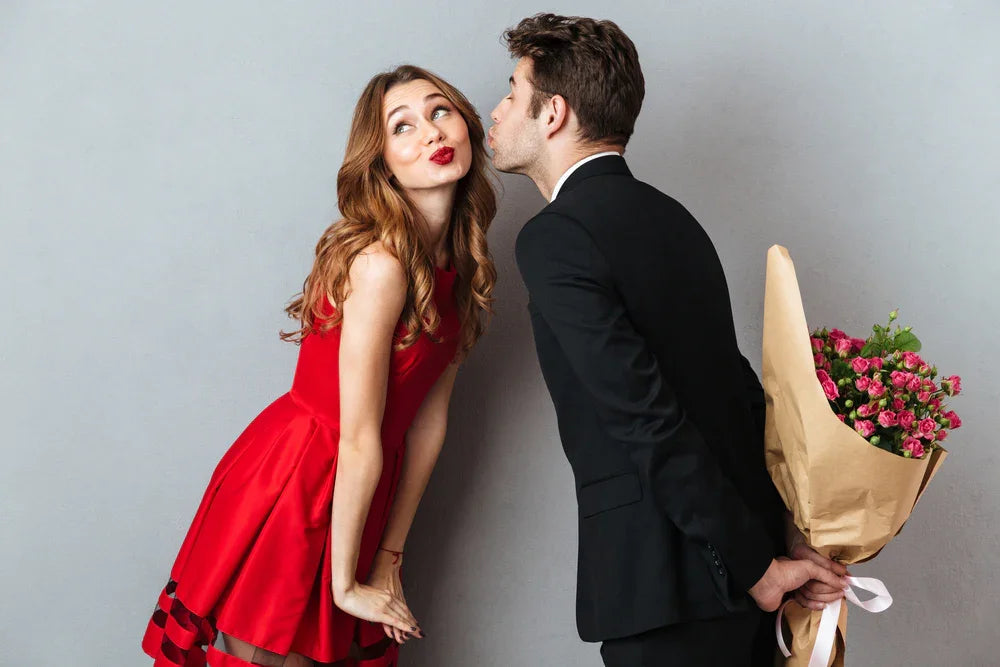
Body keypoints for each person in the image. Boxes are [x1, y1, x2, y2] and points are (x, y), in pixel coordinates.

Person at [489, 14, 847, 666]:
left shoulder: (554, 237)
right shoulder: (678, 221)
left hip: (665, 590)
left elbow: (641, 413)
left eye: (513, 91)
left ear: (553, 113)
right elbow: (735, 392)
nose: (498, 109)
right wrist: (781, 538)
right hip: (738, 584)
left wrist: (759, 564)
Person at [142, 64, 496, 667]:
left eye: (440, 112)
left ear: (466, 124)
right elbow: (358, 435)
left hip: (362, 485)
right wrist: (344, 583)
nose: (431, 133)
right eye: (403, 127)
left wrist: (388, 558)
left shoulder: (462, 273)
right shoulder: (379, 266)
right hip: (301, 479)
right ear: (382, 162)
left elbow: (428, 426)